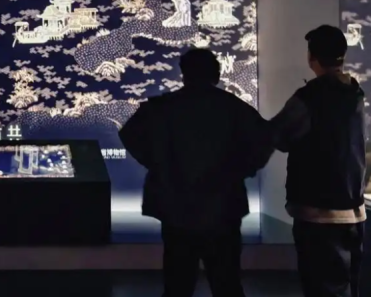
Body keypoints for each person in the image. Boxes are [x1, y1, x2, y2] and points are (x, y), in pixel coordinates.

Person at [119, 48, 271, 297]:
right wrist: (240, 171)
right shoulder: (234, 108)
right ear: (217, 74)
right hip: (223, 206)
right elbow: (264, 142)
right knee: (227, 284)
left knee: (177, 285)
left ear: (184, 74)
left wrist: (158, 165)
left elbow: (129, 135)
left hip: (175, 205)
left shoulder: (160, 107)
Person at [269, 25, 366, 297]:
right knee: (348, 286)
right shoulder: (356, 94)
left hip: (317, 213)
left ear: (311, 57)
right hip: (354, 210)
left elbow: (279, 137)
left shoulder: (308, 97)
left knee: (320, 287)